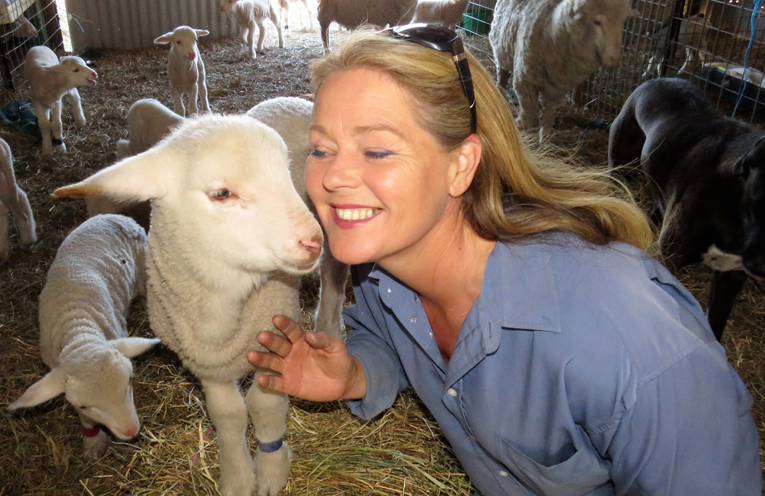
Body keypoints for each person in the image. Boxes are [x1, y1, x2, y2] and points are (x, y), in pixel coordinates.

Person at [247, 24, 762, 495]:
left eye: (377, 151)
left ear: (461, 165)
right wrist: (355, 373)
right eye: (321, 149)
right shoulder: (383, 265)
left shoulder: (621, 339)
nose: (332, 178)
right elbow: (388, 333)